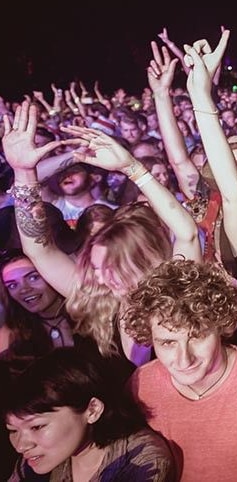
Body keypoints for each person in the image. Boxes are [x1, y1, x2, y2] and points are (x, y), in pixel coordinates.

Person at [3, 102, 201, 368]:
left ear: (142, 259)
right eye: (96, 267)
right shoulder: (102, 303)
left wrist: (132, 167)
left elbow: (186, 233)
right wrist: (24, 174)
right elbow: (39, 250)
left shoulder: (177, 294)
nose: (98, 276)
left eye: (110, 267)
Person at [125, 259, 237, 482]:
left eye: (196, 336)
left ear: (221, 325)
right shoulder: (141, 385)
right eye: (168, 343)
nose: (184, 358)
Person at [3, 347, 176, 481]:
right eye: (13, 430)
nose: (21, 446)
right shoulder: (37, 459)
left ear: (92, 409)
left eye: (37, 426)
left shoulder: (141, 460)